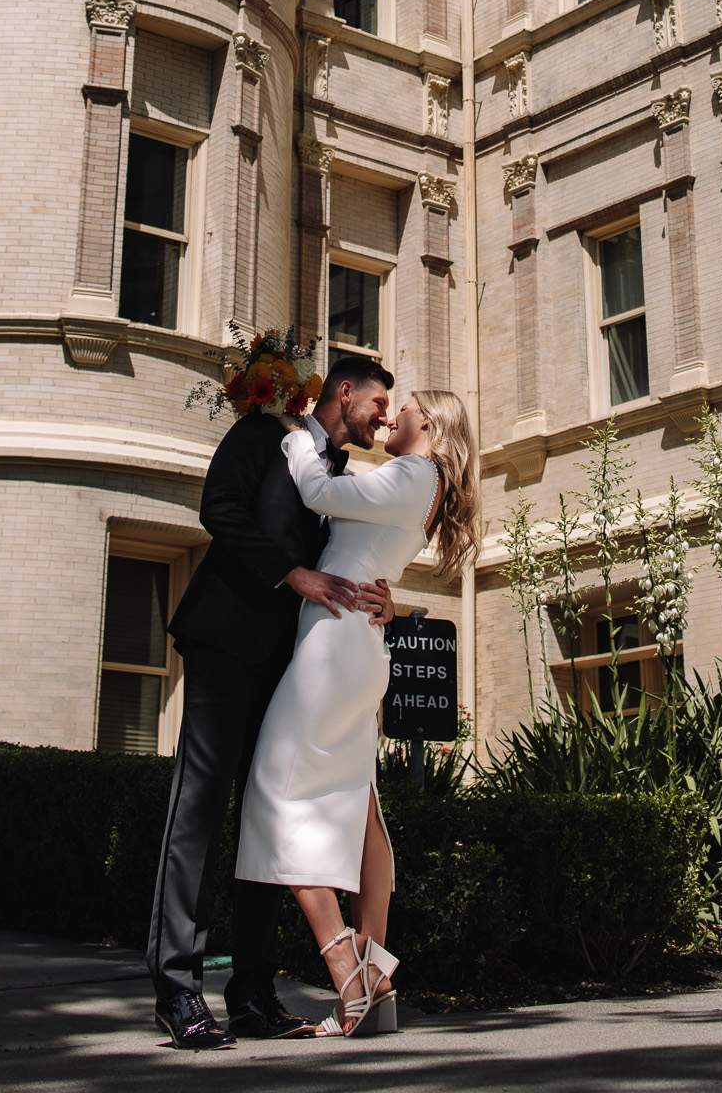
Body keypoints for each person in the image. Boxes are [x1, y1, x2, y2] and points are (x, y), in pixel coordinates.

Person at [146, 354, 396, 1051]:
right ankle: (177, 990)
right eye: (377, 403)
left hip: (291, 668)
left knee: (267, 816)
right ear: (343, 393)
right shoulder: (260, 436)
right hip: (225, 641)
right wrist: (292, 574)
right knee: (200, 805)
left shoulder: (345, 483)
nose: (383, 417)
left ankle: (252, 994)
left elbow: (353, 566)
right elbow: (219, 509)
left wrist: (385, 599)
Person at [236, 388, 480, 1037]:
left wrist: (299, 427)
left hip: (334, 648)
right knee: (360, 807)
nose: (390, 416)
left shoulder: (413, 472)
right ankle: (376, 981)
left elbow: (318, 491)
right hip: (355, 644)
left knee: (273, 794)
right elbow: (366, 548)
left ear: (426, 425)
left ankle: (345, 968)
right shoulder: (423, 484)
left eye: (403, 410)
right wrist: (389, 600)